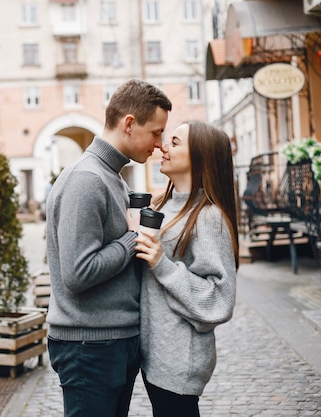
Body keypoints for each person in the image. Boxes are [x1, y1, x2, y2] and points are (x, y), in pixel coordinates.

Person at [45, 79, 172, 417]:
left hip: (110, 342)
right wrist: (133, 240)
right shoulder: (87, 179)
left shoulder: (111, 176)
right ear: (129, 124)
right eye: (156, 133)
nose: (159, 145)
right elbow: (78, 272)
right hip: (89, 347)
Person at [134, 121, 239, 417]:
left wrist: (161, 264)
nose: (163, 147)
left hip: (180, 360)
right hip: (156, 355)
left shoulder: (208, 217)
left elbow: (220, 299)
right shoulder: (165, 206)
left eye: (176, 142)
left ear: (200, 156)